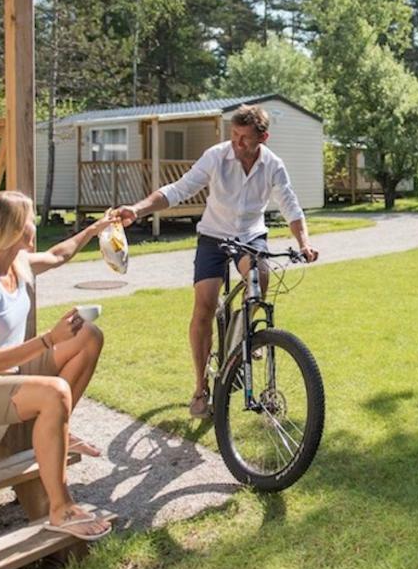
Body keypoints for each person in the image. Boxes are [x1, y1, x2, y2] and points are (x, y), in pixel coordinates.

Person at [119, 104, 319, 418]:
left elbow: (291, 207)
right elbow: (178, 189)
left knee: (259, 276)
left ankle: (246, 337)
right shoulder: (216, 155)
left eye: (245, 138)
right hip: (213, 237)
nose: (237, 143)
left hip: (250, 236)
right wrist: (138, 209)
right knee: (205, 305)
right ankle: (200, 389)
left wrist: (304, 243)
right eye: (234, 135)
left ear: (262, 138)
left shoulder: (273, 165)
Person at [0, 191, 113, 541]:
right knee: (54, 393)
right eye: (31, 218)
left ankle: (57, 429)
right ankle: (61, 509)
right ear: (15, 229)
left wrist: (96, 229)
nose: (35, 224)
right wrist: (50, 338)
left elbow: (58, 254)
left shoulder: (16, 264)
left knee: (88, 336)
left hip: (10, 374)